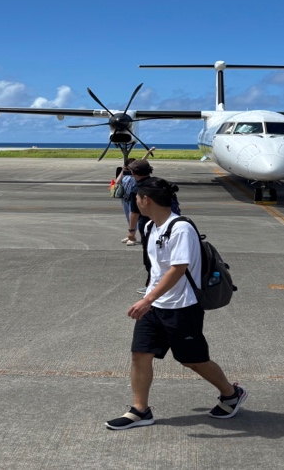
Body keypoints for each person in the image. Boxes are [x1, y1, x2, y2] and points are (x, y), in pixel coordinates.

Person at [105, 178, 247, 430]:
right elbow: (156, 269)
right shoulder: (151, 226)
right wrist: (150, 297)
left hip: (182, 307)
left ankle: (231, 394)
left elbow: (178, 268)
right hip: (155, 307)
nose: (134, 202)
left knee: (193, 360)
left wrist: (147, 299)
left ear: (146, 200)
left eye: (136, 198)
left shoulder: (180, 228)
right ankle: (140, 410)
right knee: (140, 354)